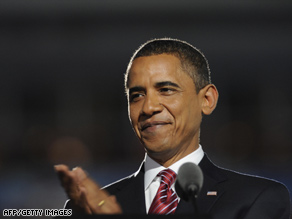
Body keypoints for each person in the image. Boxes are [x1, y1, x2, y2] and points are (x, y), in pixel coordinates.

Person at [55, 38, 291, 218]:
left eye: (166, 90)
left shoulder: (256, 198)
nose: (148, 107)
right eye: (136, 95)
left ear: (206, 100)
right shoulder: (89, 208)